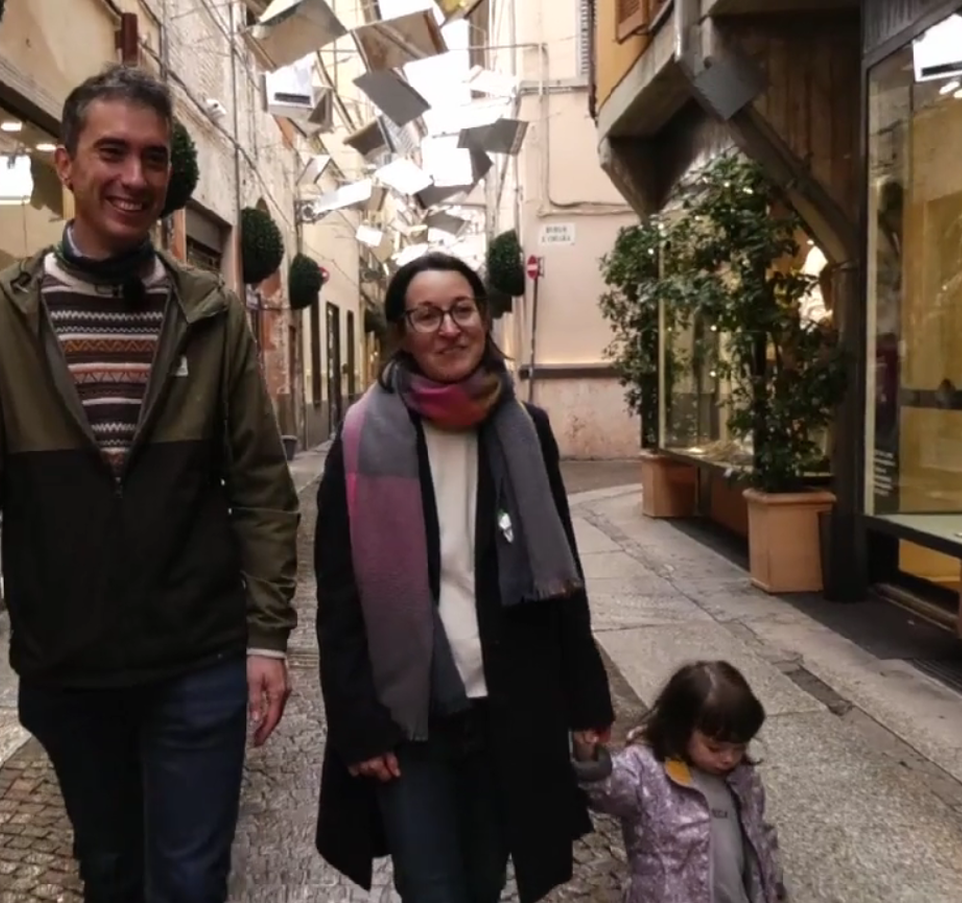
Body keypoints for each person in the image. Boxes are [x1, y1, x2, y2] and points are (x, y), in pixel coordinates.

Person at [0, 64, 300, 903]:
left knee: (189, 880)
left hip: (198, 656)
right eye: (111, 152)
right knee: (110, 869)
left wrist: (267, 636)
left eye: (153, 158)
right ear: (65, 164)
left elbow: (260, 486)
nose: (134, 177)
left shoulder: (210, 315)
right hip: (70, 667)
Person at [313, 251, 616, 903]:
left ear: (483, 317)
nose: (448, 328)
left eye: (461, 309)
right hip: (411, 713)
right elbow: (338, 599)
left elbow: (565, 574)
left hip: (509, 700)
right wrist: (357, 723)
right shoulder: (363, 437)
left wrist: (588, 699)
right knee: (431, 887)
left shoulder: (524, 429)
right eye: (427, 314)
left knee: (483, 883)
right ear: (402, 331)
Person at [572, 660, 788, 903]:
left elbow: (758, 833)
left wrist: (773, 886)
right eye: (715, 748)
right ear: (681, 728)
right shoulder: (645, 769)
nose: (728, 758)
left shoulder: (742, 776)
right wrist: (588, 756)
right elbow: (606, 790)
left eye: (739, 747)